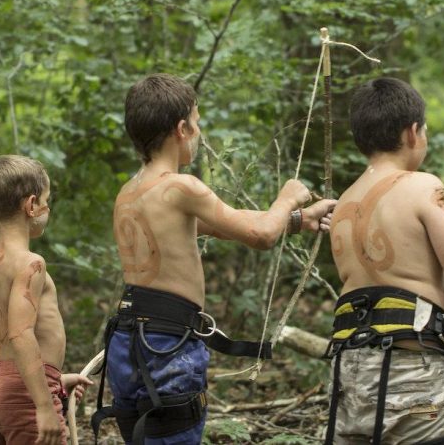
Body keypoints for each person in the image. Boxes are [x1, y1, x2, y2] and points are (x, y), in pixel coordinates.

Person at [91, 73, 337, 444]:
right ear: (181, 128)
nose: (199, 131)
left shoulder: (131, 191)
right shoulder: (181, 186)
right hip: (166, 345)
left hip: (130, 342)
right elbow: (260, 235)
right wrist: (288, 198)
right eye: (198, 122)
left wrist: (300, 220)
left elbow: (226, 226)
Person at [324, 77, 444, 444]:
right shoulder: (424, 186)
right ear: (414, 132)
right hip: (413, 373)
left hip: (349, 373)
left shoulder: (345, 200)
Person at [0, 155, 92, 445]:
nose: (47, 208)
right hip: (23, 397)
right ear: (31, 205)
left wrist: (54, 380)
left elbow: (0, 342)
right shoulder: (30, 263)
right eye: (46, 200)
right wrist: (42, 405)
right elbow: (19, 334)